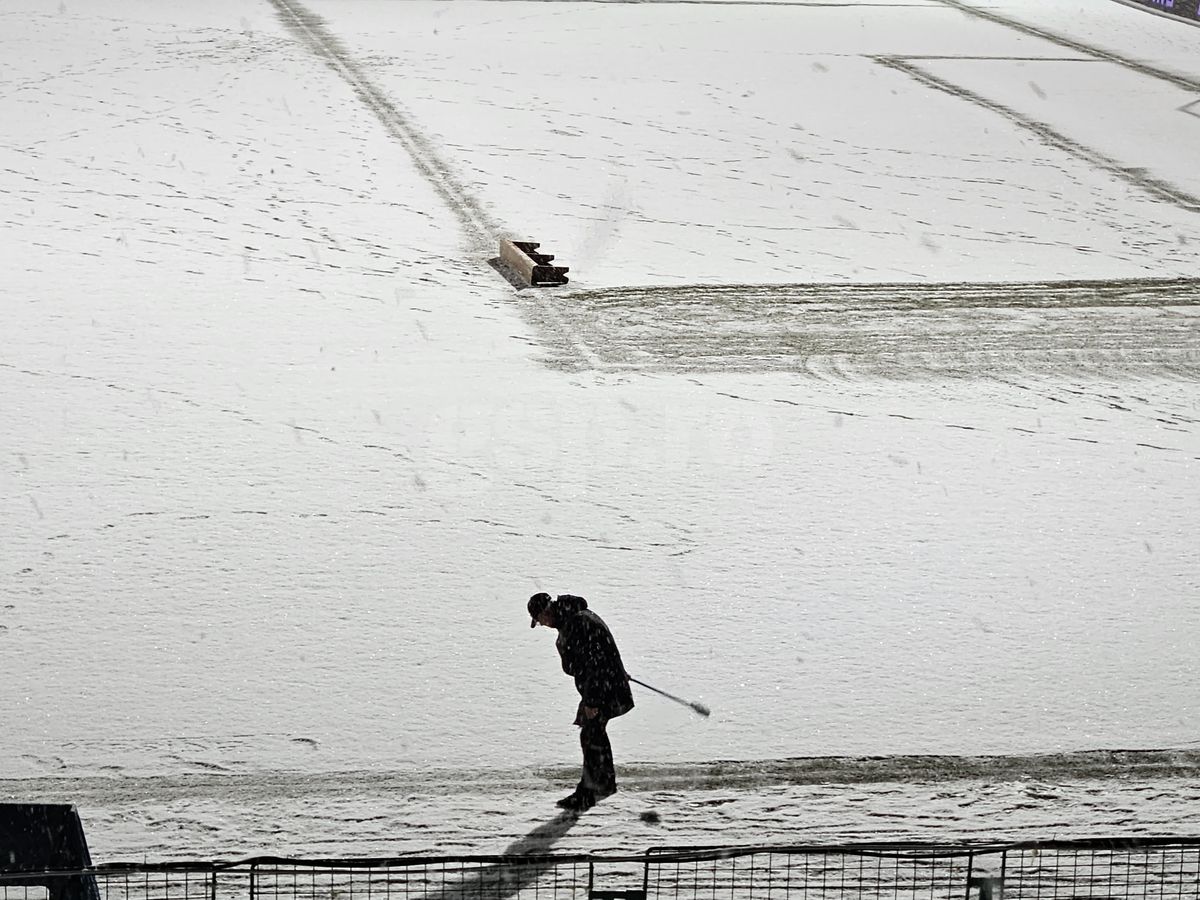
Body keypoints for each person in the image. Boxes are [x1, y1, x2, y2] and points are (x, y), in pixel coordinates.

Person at [528, 591, 634, 812]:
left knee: (591, 736)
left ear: (546, 612)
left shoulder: (577, 623)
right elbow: (600, 652)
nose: (543, 625)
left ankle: (589, 792)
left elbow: (593, 662)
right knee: (593, 734)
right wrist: (618, 670)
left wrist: (592, 701)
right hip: (605, 684)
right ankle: (604, 784)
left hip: (601, 688)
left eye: (540, 621)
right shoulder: (578, 618)